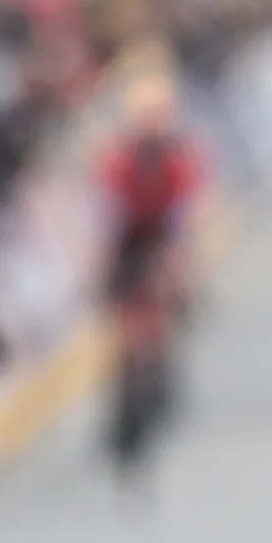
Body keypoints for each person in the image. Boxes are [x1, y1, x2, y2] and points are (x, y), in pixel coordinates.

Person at [95, 55, 204, 484]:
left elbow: (183, 216)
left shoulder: (179, 159)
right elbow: (107, 217)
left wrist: (177, 264)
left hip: (161, 241)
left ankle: (160, 385)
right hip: (129, 244)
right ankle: (123, 410)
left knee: (165, 313)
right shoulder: (118, 160)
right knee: (128, 331)